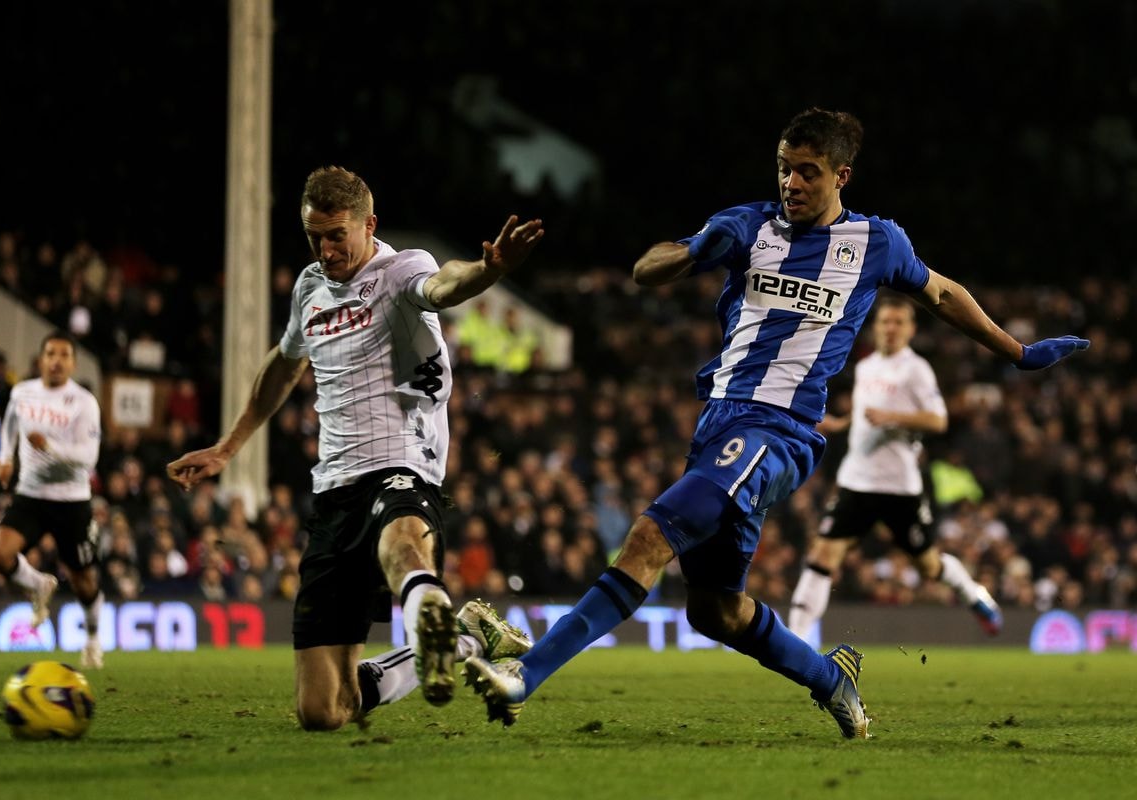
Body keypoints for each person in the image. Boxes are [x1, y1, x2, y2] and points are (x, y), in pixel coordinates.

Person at [464, 107, 1089, 739]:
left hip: (779, 432)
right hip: (720, 427)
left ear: (841, 175)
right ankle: (830, 679)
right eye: (785, 169)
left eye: (807, 173)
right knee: (714, 611)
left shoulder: (876, 243)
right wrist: (691, 252)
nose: (791, 183)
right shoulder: (747, 226)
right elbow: (646, 268)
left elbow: (943, 293)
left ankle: (525, 674)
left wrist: (1016, 352)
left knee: (651, 538)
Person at [167, 165, 544, 730]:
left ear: (369, 225)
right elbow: (285, 362)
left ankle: (435, 624)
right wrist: (228, 446)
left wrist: (489, 270)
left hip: (402, 463)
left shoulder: (401, 270)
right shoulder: (308, 288)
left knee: (402, 549)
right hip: (333, 489)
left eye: (336, 234)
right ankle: (461, 635)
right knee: (324, 711)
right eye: (314, 236)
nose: (325, 248)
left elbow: (445, 284)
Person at [787, 296, 1003, 643]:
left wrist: (893, 418)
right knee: (823, 554)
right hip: (856, 481)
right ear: (876, 327)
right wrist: (841, 424)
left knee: (928, 565)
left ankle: (973, 593)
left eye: (898, 322)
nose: (890, 328)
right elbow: (865, 413)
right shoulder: (866, 366)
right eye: (885, 322)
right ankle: (795, 643)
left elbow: (938, 420)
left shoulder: (915, 370)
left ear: (910, 329)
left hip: (899, 487)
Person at [0, 330, 106, 668]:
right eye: (50, 354)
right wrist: (5, 458)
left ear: (73, 362)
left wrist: (49, 448)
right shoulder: (23, 392)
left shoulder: (83, 402)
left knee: (84, 580)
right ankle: (39, 584)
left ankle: (93, 639)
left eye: (64, 355)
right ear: (41, 359)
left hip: (72, 501)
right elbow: (9, 424)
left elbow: (89, 457)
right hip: (31, 495)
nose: (56, 361)